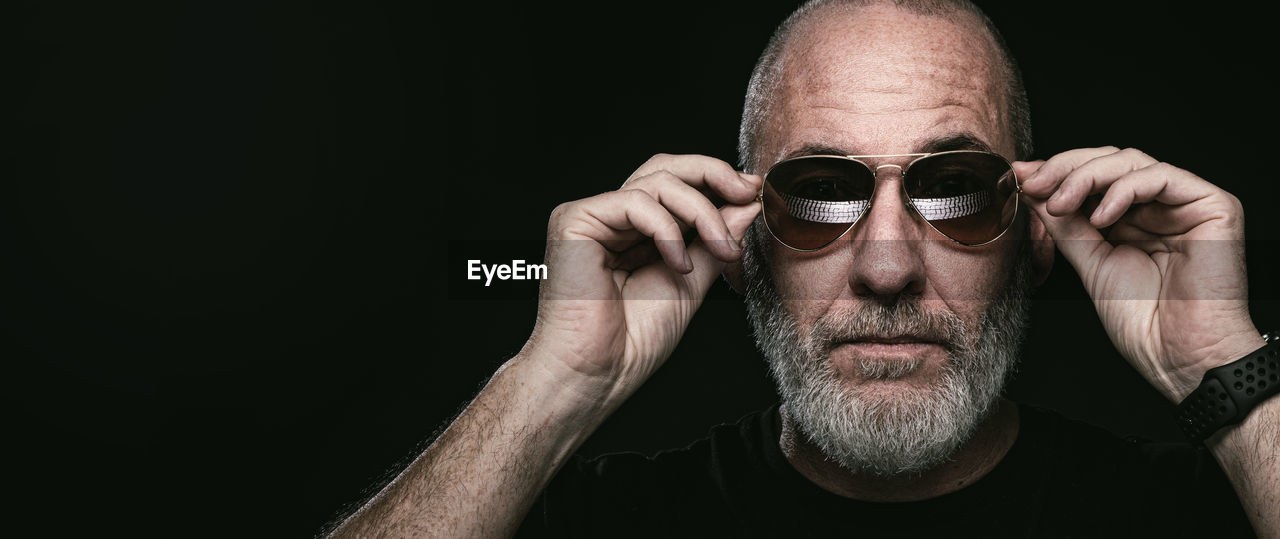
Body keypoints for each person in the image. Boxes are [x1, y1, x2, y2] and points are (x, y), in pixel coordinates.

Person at [330, 0, 1278, 536]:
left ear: (1037, 240)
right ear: (742, 245)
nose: (888, 262)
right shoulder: (588, 520)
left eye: (954, 188)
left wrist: (1222, 364)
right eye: (822, 191)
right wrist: (553, 384)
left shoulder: (1210, 511)